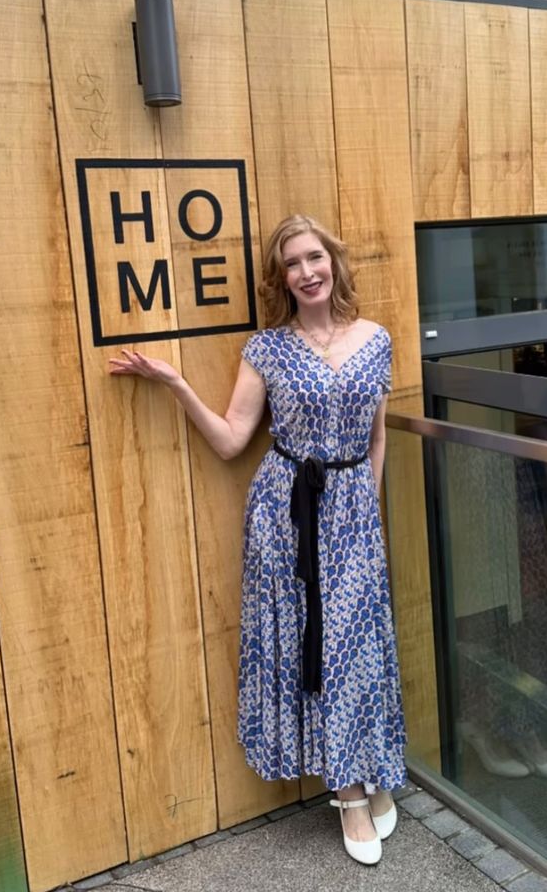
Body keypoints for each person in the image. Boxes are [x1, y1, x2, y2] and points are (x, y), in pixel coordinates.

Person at [109, 214, 406, 865]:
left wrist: (368, 517)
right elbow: (231, 441)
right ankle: (351, 794)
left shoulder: (376, 340)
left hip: (352, 507)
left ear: (333, 260)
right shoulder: (267, 349)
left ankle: (370, 771)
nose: (306, 272)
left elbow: (377, 436)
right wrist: (177, 384)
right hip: (285, 513)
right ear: (282, 279)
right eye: (292, 265)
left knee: (356, 644)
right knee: (313, 649)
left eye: (313, 257)